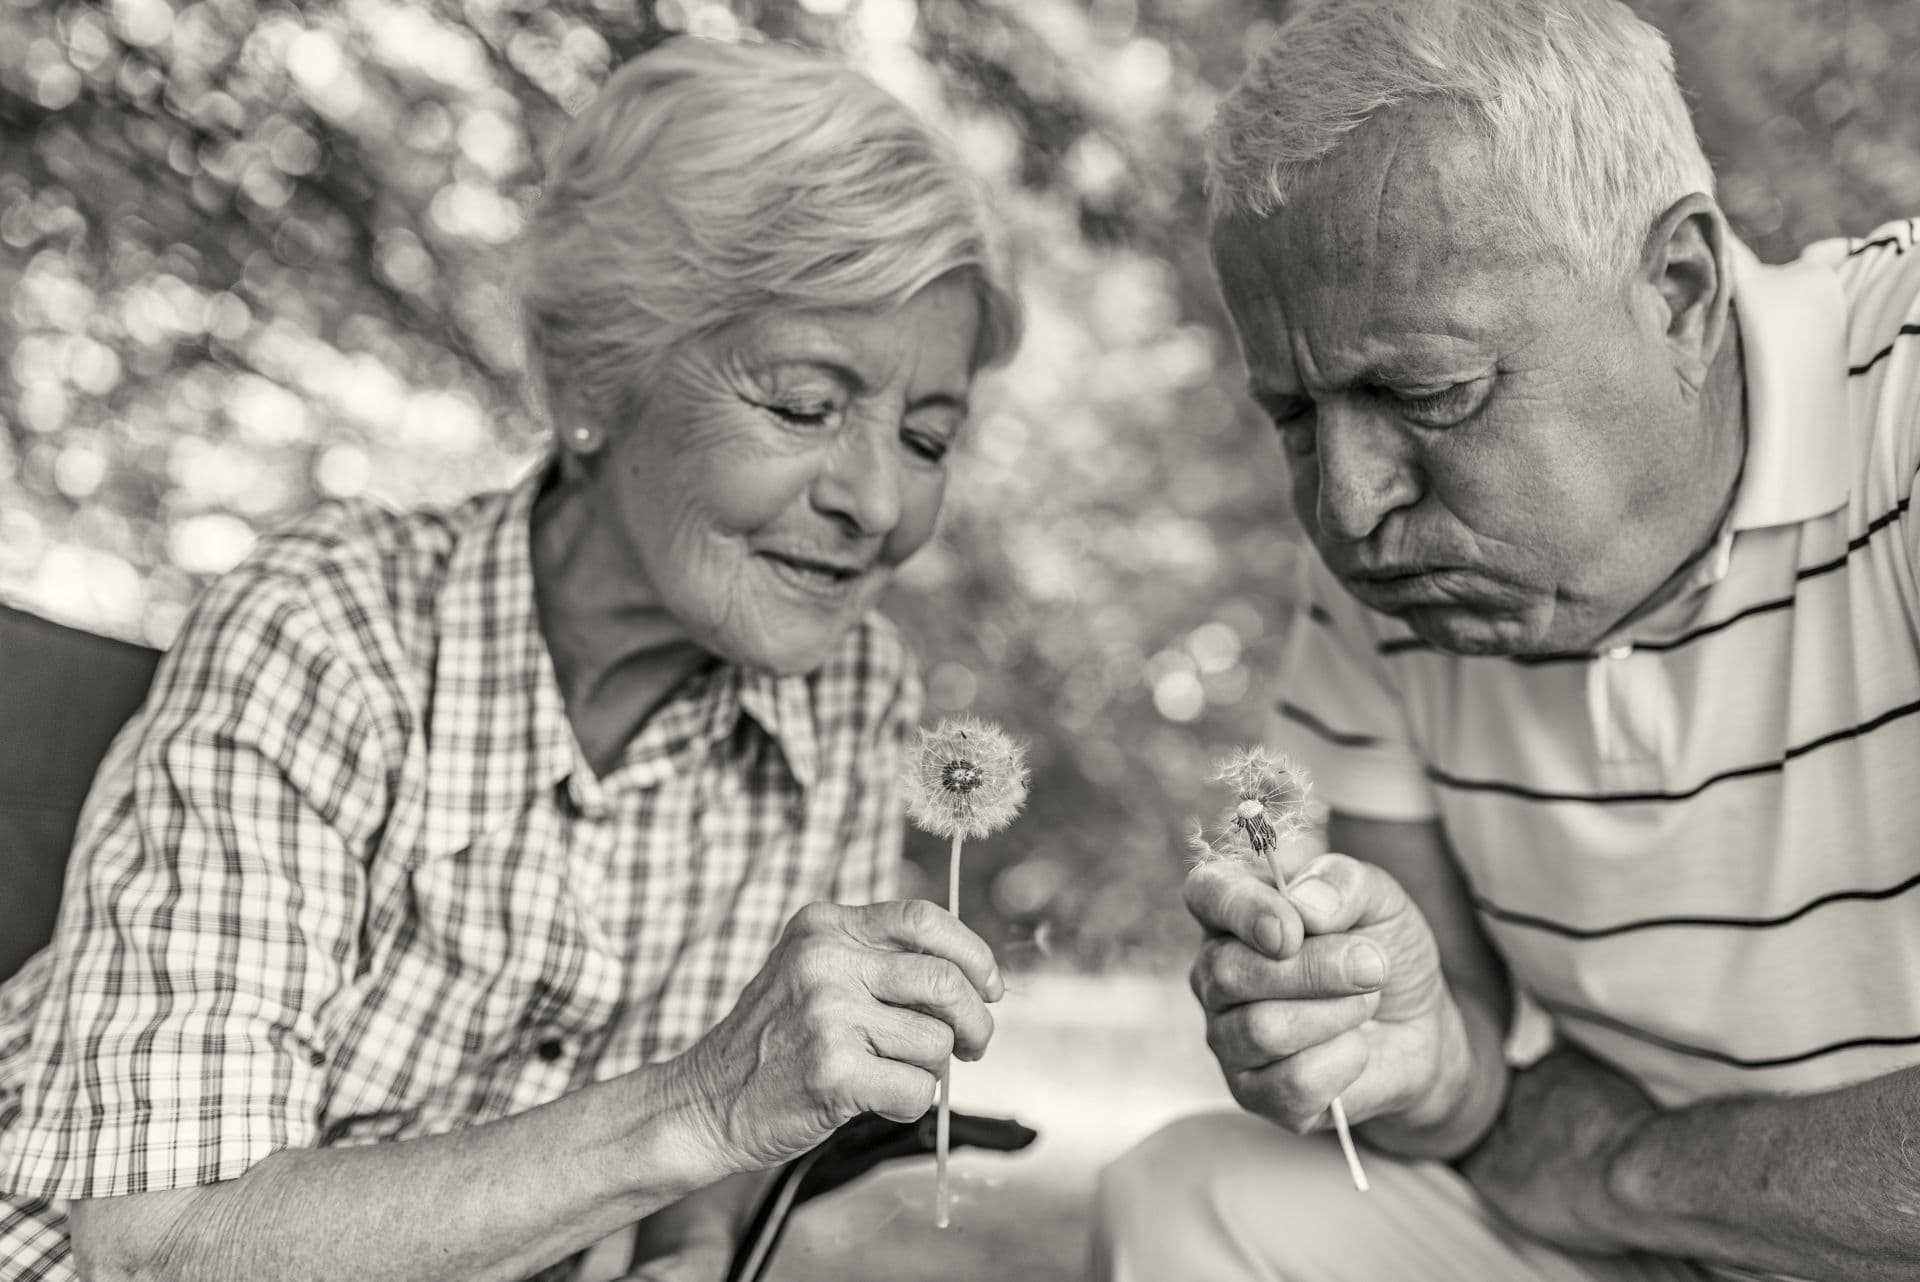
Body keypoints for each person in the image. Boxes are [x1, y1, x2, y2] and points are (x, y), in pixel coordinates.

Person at [0, 36, 1021, 1282]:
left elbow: (722, 1163)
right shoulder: (322, 631)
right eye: (805, 406)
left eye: (926, 437)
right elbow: (158, 1248)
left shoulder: (854, 698)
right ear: (594, 377)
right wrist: (691, 1106)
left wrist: (689, 1245)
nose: (877, 501)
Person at [1094, 2, 1920, 1280]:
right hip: (1646, 1234)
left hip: (1681, 1202)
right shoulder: (1401, 561)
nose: (1350, 505)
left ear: (1678, 292)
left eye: (1428, 393)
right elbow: (1462, 1070)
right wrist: (1409, 1058)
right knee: (1196, 1194)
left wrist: (1620, 1170)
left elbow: (1560, 1156)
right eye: (1298, 416)